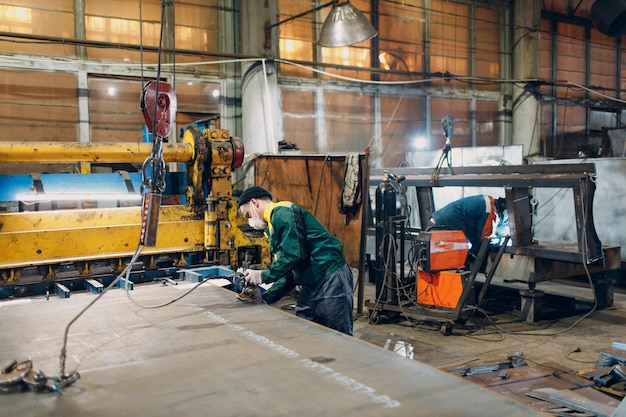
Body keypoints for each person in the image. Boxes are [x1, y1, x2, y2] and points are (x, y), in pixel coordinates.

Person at [237, 186, 354, 336]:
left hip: (329, 275)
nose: (250, 221)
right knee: (303, 328)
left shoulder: (282, 213)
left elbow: (293, 256)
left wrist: (262, 276)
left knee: (337, 334)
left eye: (247, 215)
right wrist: (264, 297)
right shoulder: (272, 227)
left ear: (254, 202)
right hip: (310, 280)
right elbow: (289, 270)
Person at [429, 195, 506, 255]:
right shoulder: (491, 210)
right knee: (463, 251)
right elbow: (485, 238)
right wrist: (500, 240)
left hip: (438, 219)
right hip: (450, 222)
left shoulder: (487, 201)